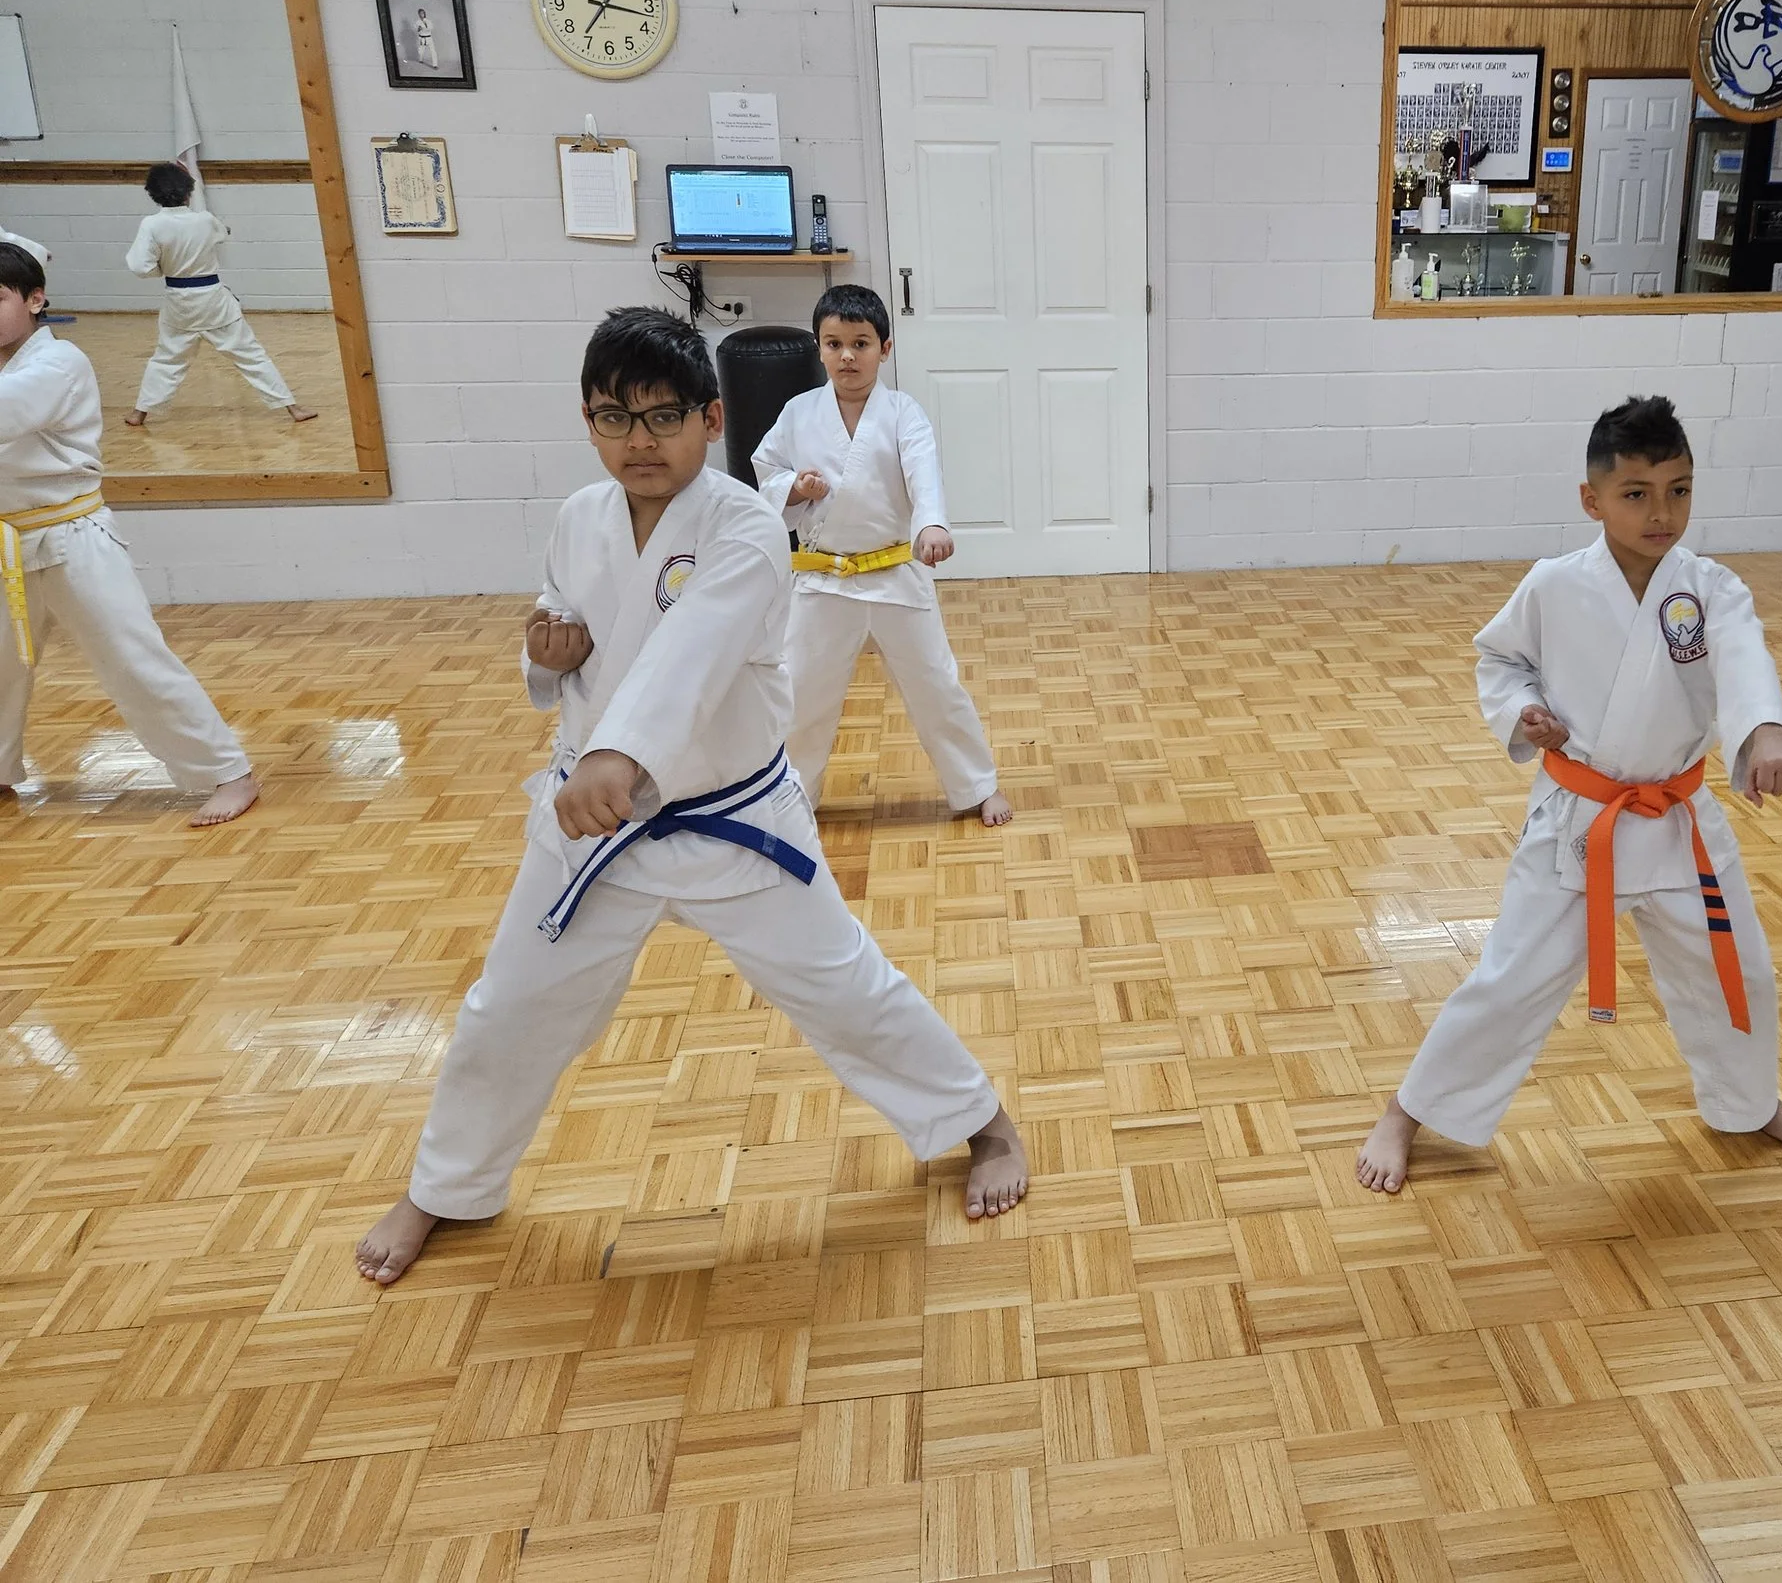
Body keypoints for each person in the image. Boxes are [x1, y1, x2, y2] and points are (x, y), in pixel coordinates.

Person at [356, 306, 1026, 1285]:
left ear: (711, 421)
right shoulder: (578, 519)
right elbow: (567, 628)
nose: (637, 441)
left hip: (733, 822)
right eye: (612, 418)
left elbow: (694, 651)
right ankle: (445, 1185)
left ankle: (984, 1125)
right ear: (586, 423)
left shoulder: (747, 526)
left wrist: (619, 756)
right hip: (592, 822)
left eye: (661, 417)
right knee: (508, 1009)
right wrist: (549, 658)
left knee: (844, 988)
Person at [1357, 394, 1782, 1194]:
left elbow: (1746, 664)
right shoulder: (1554, 585)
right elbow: (1500, 662)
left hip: (1681, 821)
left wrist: (1768, 736)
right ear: (1591, 499)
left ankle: (1752, 1103)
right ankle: (1405, 1111)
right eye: (1637, 493)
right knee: (1512, 978)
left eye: (1679, 489)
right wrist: (1525, 712)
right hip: (1581, 823)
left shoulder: (1711, 588)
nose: (1662, 512)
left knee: (1739, 972)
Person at [0, 242, 259, 826]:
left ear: (36, 299)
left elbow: (8, 412)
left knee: (132, 659)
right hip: (5, 542)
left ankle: (227, 772)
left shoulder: (59, 363)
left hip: (71, 536)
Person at [750, 284, 1011, 827]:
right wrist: (794, 489)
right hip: (825, 580)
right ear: (818, 348)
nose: (848, 355)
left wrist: (931, 523)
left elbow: (924, 472)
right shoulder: (798, 413)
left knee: (937, 684)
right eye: (834, 343)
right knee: (801, 693)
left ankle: (977, 785)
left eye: (861, 343)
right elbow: (766, 471)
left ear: (884, 349)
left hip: (894, 570)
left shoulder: (902, 412)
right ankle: (791, 799)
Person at [122, 161, 314, 430]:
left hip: (179, 300)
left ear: (152, 193)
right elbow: (222, 233)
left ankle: (139, 413)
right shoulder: (205, 219)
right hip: (212, 298)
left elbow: (140, 266)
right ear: (188, 191)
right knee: (251, 355)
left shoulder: (152, 225)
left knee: (167, 359)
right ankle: (292, 408)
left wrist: (163, 268)